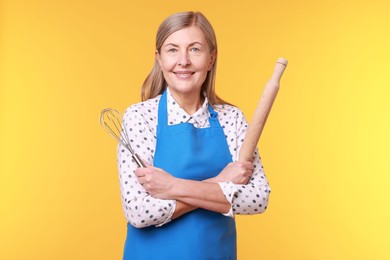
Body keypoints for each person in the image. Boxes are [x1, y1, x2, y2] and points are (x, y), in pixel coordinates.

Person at [117, 11, 271, 260]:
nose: (184, 61)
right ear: (159, 58)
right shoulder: (139, 117)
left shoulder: (231, 118)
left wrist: (173, 187)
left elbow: (257, 198)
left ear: (211, 58)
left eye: (195, 49)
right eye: (172, 50)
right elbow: (139, 212)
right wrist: (220, 183)